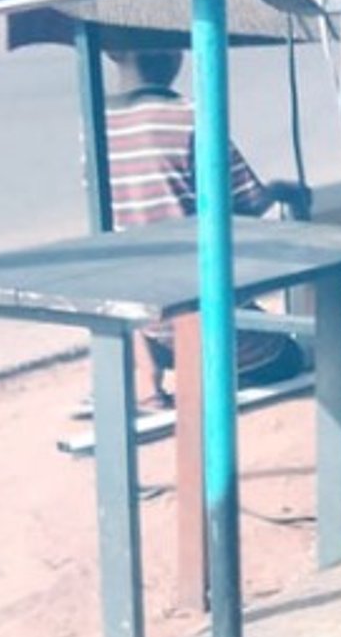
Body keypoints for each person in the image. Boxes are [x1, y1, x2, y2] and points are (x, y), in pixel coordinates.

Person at [105, 47, 312, 409]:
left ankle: (149, 380)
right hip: (203, 318)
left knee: (129, 263)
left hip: (144, 322)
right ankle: (208, 373)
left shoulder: (97, 123)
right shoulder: (190, 119)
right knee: (290, 355)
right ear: (174, 54)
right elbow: (243, 209)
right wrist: (280, 192)